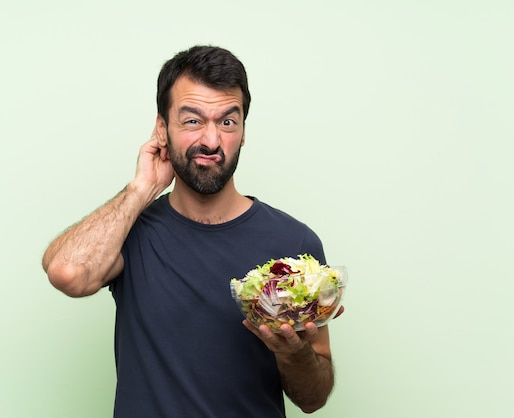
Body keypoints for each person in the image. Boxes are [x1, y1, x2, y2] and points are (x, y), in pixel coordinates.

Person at [42, 45, 341, 417]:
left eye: (228, 122)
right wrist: (141, 188)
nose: (211, 142)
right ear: (162, 129)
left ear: (243, 131)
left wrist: (292, 351)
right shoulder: (131, 231)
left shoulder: (295, 244)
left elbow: (312, 398)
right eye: (192, 121)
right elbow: (67, 273)